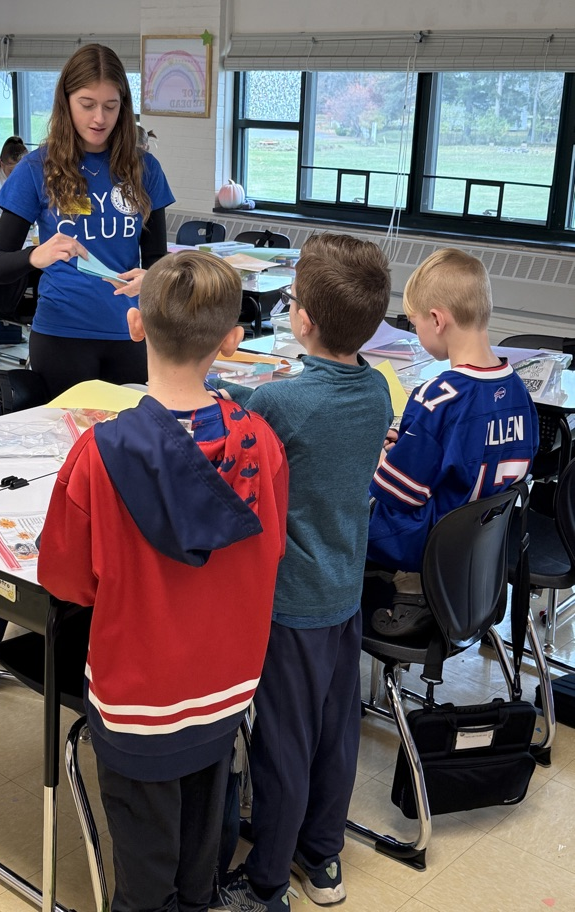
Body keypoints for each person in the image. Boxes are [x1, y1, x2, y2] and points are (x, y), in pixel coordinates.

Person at [37, 250, 289, 912]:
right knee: (203, 848)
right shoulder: (262, 443)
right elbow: (268, 554)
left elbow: (68, 581)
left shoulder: (97, 453)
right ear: (233, 342)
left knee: (143, 873)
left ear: (134, 326)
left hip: (138, 698)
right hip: (226, 685)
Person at [214, 233, 393, 910]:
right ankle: (322, 860)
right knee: (333, 732)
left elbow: (255, 433)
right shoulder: (376, 392)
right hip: (344, 591)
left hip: (290, 604)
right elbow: (300, 412)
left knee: (282, 744)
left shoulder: (280, 406)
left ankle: (265, 883)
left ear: (301, 319)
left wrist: (218, 387)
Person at [0, 42, 175, 399]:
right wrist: (34, 256)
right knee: (69, 445)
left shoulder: (145, 170)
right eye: (87, 105)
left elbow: (157, 262)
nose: (99, 118)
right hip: (61, 336)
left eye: (110, 106)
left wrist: (153, 279)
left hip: (131, 333)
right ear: (66, 102)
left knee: (128, 447)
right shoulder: (35, 169)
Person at [367, 247, 539, 636]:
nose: (417, 334)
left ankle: (407, 587)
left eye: (415, 326)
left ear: (437, 319)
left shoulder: (438, 395)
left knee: (354, 498)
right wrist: (409, 441)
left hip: (427, 546)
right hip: (476, 556)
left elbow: (400, 495)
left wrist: (380, 456)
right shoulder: (519, 393)